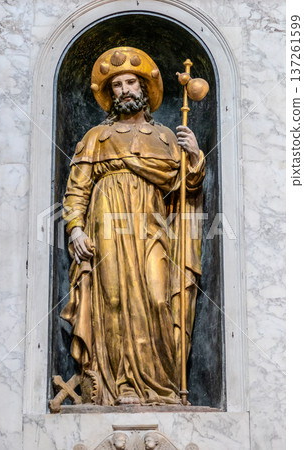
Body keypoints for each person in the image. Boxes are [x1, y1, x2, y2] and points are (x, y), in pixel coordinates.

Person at [61, 47, 205, 406]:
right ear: (110, 94)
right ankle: (121, 386)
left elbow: (184, 189)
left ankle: (162, 386)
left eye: (131, 82)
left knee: (158, 297)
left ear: (143, 89)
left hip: (151, 226)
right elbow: (76, 189)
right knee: (111, 299)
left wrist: (194, 155)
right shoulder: (96, 136)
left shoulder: (167, 138)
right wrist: (76, 228)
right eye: (117, 85)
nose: (124, 89)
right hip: (106, 225)